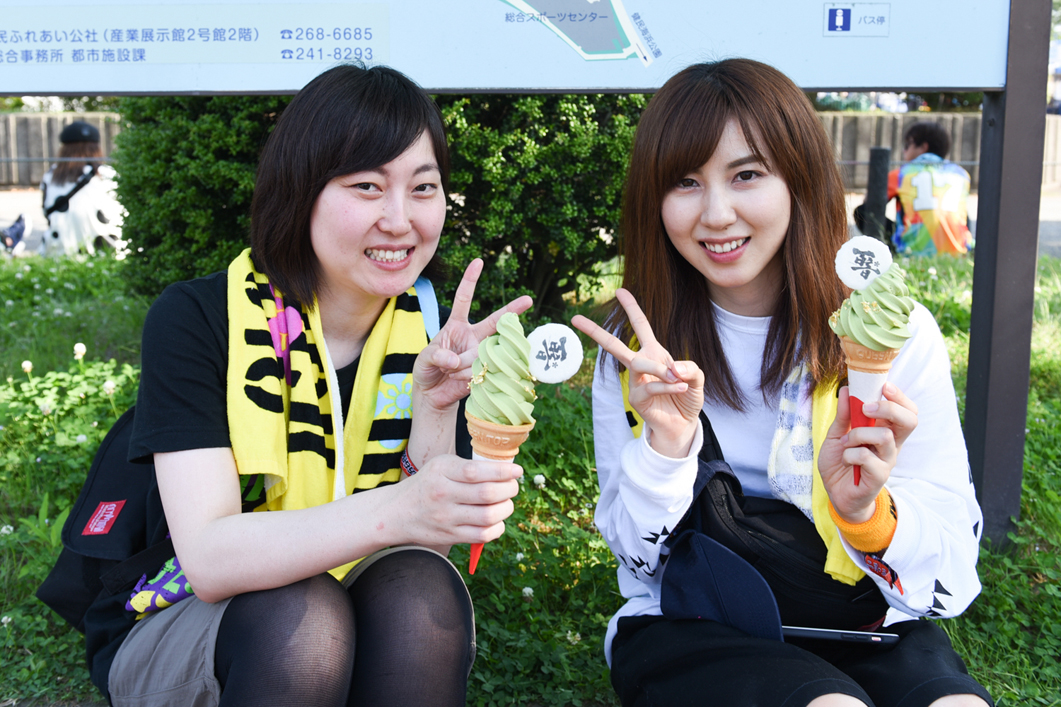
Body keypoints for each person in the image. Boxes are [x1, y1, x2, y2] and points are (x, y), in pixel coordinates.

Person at [88, 64, 531, 706]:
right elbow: (209, 558)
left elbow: (422, 546)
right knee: (304, 617)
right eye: (366, 186)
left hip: (358, 601)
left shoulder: (431, 332)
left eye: (423, 187)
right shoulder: (201, 319)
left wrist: (435, 412)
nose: (400, 220)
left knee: (419, 592)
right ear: (302, 191)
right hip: (188, 614)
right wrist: (401, 507)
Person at [572, 59, 992, 707]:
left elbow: (953, 575)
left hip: (864, 620)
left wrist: (866, 515)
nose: (716, 214)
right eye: (685, 182)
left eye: (746, 175)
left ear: (800, 179)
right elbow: (638, 561)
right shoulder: (636, 349)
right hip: (692, 620)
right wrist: (665, 453)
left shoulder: (892, 335)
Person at [854, 121, 973, 256]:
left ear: (923, 147)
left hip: (912, 251)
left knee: (861, 212)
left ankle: (891, 251)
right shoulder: (961, 174)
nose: (904, 150)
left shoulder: (901, 174)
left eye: (907, 145)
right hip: (958, 251)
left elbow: (870, 205)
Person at [40, 120, 125, 256]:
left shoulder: (50, 176)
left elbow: (46, 212)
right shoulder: (108, 174)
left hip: (59, 252)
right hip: (106, 250)